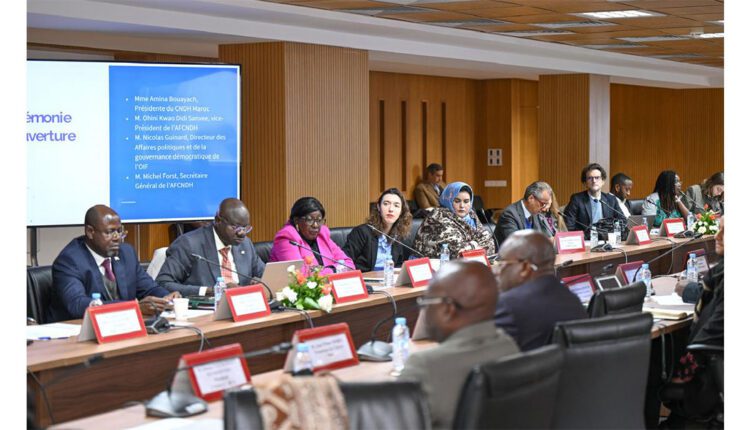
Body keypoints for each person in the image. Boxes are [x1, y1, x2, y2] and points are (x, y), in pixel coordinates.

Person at [398, 261, 519, 429]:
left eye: (426, 303)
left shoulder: (425, 366)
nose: (423, 312)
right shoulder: (508, 346)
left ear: (448, 309)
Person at [47, 205, 179, 323]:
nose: (117, 238)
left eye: (119, 231)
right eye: (110, 232)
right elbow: (78, 305)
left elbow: (149, 288)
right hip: (75, 334)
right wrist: (134, 308)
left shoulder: (126, 253)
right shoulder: (69, 261)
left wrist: (166, 297)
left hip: (120, 327)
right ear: (90, 232)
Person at [493, 230, 587, 351]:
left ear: (525, 268)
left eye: (501, 264)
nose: (496, 272)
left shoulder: (507, 305)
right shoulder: (573, 300)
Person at [156, 198, 265, 297]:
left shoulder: (245, 244)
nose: (242, 233)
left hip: (244, 305)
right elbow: (163, 283)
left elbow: (264, 275)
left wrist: (260, 282)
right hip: (206, 308)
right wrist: (209, 291)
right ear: (218, 220)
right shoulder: (189, 244)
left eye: (245, 227)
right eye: (235, 227)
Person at [269, 197, 354, 275]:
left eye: (319, 220)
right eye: (309, 220)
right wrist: (335, 270)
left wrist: (329, 270)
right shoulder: (287, 238)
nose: (315, 225)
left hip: (325, 285)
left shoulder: (322, 234)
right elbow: (299, 275)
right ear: (296, 220)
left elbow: (349, 264)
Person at [413, 181, 496, 259]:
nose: (462, 206)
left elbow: (489, 244)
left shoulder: (471, 215)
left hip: (464, 265)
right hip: (431, 265)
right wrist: (476, 245)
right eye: (457, 201)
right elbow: (456, 251)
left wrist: (472, 246)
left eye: (466, 201)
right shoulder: (437, 217)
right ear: (448, 200)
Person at [343, 188, 413, 272]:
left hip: (388, 279)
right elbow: (344, 262)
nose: (391, 209)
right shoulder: (362, 232)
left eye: (396, 205)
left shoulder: (398, 236)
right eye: (386, 204)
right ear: (378, 207)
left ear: (401, 211)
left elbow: (398, 265)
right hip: (365, 279)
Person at [563, 163, 626, 238]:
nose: (594, 181)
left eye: (597, 178)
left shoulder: (611, 199)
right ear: (585, 183)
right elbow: (569, 226)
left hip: (608, 240)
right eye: (590, 178)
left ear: (603, 181)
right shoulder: (576, 200)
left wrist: (611, 233)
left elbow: (623, 221)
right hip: (586, 241)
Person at [494, 181, 554, 246]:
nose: (544, 208)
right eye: (543, 204)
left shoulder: (535, 213)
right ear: (531, 198)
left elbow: (540, 236)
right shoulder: (509, 214)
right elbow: (516, 243)